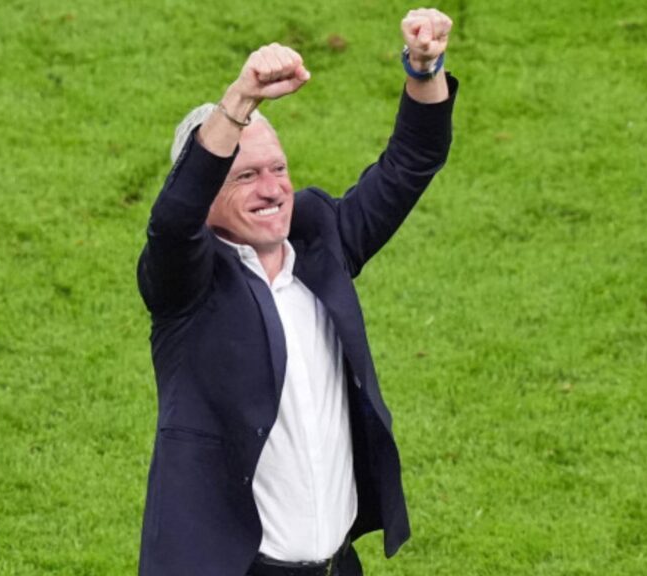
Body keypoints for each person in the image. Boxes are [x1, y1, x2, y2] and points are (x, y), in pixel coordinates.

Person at [135, 8, 458, 576]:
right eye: (245, 176)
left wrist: (424, 68)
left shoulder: (319, 237)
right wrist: (238, 100)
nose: (272, 190)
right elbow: (174, 218)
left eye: (278, 169)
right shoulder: (185, 285)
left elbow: (412, 161)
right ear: (207, 194)